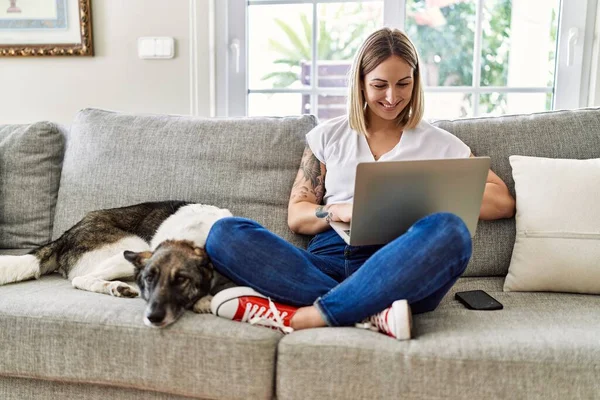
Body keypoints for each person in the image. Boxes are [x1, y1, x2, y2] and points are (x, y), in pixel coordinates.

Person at [206, 27, 515, 340]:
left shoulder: (440, 143)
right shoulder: (328, 137)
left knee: (451, 230)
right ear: (360, 83)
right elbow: (297, 215)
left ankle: (314, 314)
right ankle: (370, 312)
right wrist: (335, 211)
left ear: (416, 82)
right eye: (380, 85)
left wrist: (421, 200)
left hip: (399, 268)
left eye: (403, 84)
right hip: (326, 262)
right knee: (224, 233)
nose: (393, 97)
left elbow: (502, 202)